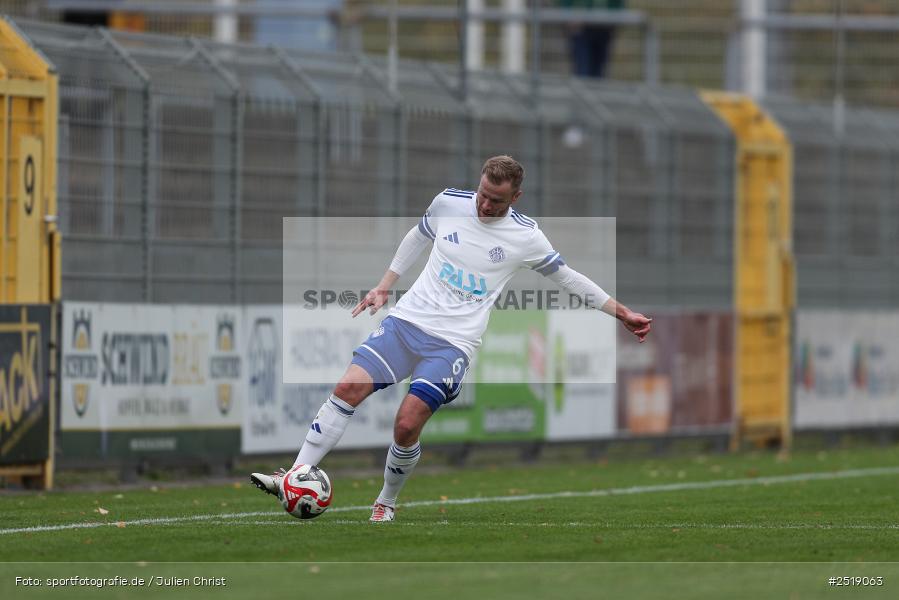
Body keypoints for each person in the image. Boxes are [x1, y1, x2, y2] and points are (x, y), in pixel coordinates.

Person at [251, 155, 652, 522]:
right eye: (482, 194)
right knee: (346, 387)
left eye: (496, 200)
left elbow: (568, 278)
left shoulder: (526, 236)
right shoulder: (448, 203)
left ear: (516, 196)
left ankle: (386, 501)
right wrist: (385, 285)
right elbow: (417, 236)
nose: (485, 206)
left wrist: (621, 312)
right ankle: (294, 476)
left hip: (452, 344)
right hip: (407, 323)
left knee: (406, 425)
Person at [562, 0, 625, 79]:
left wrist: (616, 16)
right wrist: (568, 14)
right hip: (581, 29)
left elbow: (618, 4)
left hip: (604, 28)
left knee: (599, 72)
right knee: (583, 70)